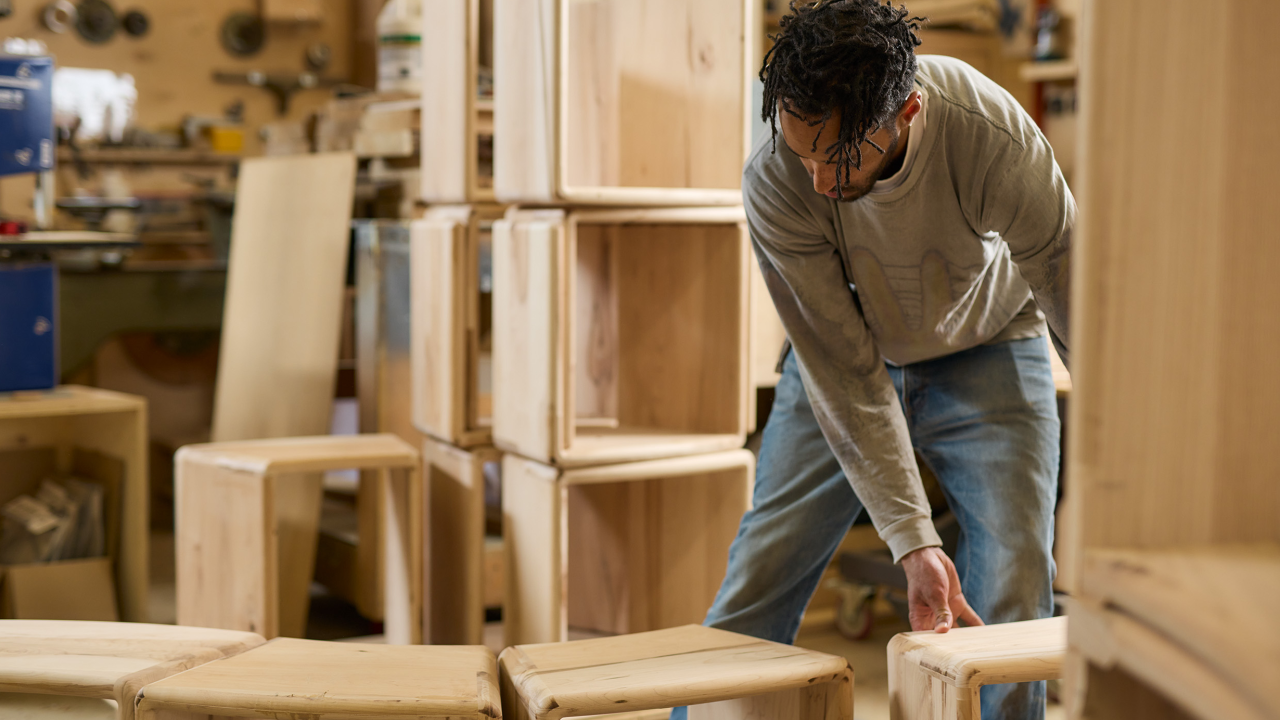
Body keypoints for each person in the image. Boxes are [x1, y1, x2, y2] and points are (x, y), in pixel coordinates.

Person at [675, 2, 1074, 719]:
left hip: (989, 341)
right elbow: (841, 368)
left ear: (907, 111)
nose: (819, 181)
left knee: (1015, 586)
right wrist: (912, 539)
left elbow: (1072, 298)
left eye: (839, 157)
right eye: (803, 152)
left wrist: (1129, 476)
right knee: (761, 572)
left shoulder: (992, 136)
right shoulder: (775, 177)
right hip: (848, 355)